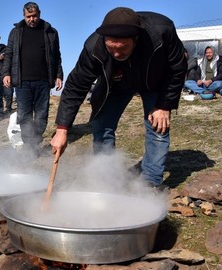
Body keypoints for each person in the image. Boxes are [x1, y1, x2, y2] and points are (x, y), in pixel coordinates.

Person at [51, 7, 187, 187]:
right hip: (116, 83)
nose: (116, 54)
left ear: (136, 39)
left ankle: (150, 183)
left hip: (155, 82)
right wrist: (62, 129)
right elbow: (76, 86)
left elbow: (178, 67)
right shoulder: (94, 47)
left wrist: (164, 105)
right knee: (101, 125)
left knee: (157, 127)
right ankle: (106, 179)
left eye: (122, 49)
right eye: (111, 48)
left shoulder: (161, 31)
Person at [2, 2, 63, 154]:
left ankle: (35, 140)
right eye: (29, 16)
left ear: (39, 14)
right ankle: (30, 147)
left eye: (34, 16)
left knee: (42, 115)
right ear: (24, 16)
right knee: (24, 115)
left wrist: (59, 75)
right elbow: (9, 54)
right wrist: (6, 73)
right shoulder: (16, 32)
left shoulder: (50, 31)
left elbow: (57, 56)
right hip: (22, 82)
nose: (32, 19)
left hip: (43, 80)